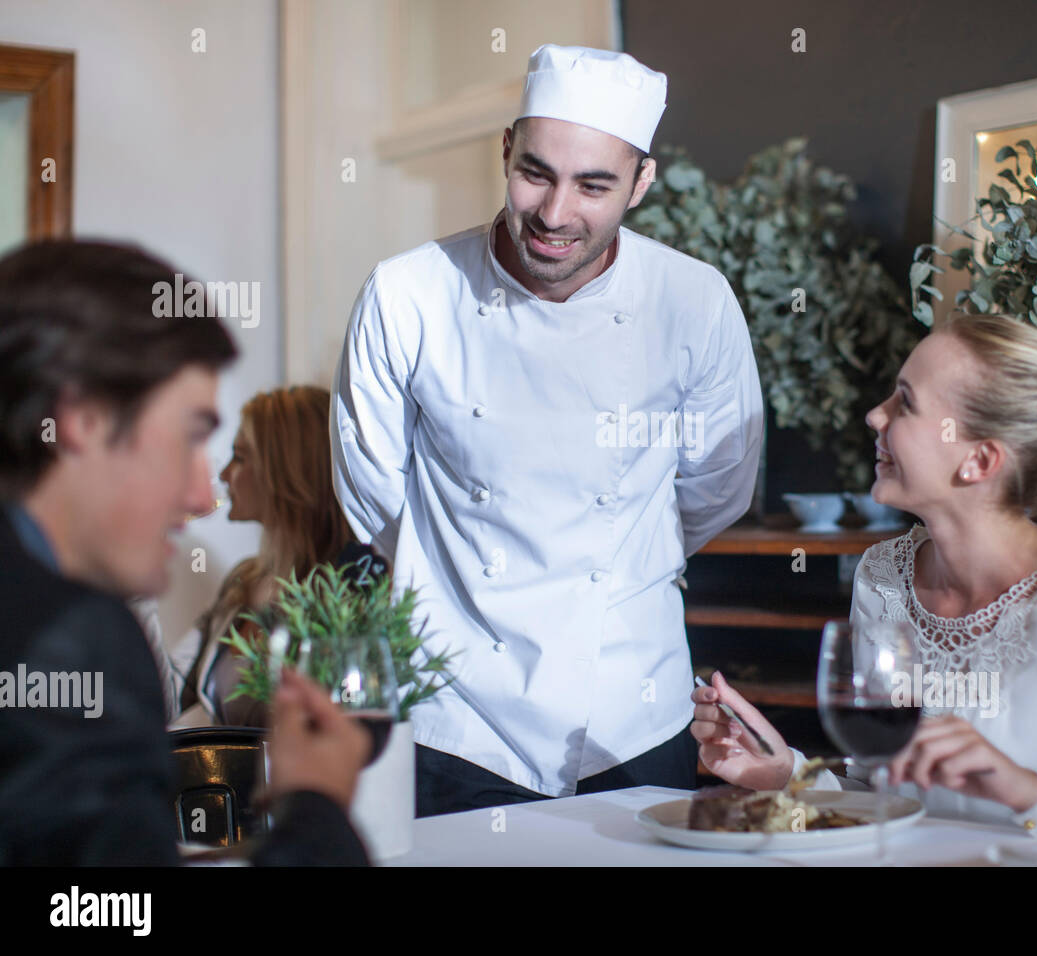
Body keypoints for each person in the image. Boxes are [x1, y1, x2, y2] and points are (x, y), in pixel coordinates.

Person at [332, 44, 764, 815]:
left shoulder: (694, 301)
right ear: (505, 150)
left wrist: (617, 568)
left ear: (641, 183)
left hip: (631, 709)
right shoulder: (408, 293)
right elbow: (373, 498)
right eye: (536, 172)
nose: (556, 213)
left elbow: (715, 490)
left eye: (594, 184)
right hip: (453, 711)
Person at [692, 311, 1037, 841]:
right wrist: (786, 773)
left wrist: (1026, 791)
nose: (876, 416)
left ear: (980, 460)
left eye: (906, 402)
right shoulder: (881, 577)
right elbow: (884, 801)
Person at [0, 239, 371, 865]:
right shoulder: (75, 638)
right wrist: (316, 806)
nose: (203, 494)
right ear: (85, 419)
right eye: (190, 437)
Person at [172, 385, 387, 728]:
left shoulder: (349, 593)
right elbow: (167, 689)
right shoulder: (243, 581)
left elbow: (353, 722)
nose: (225, 474)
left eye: (240, 457)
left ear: (289, 471)